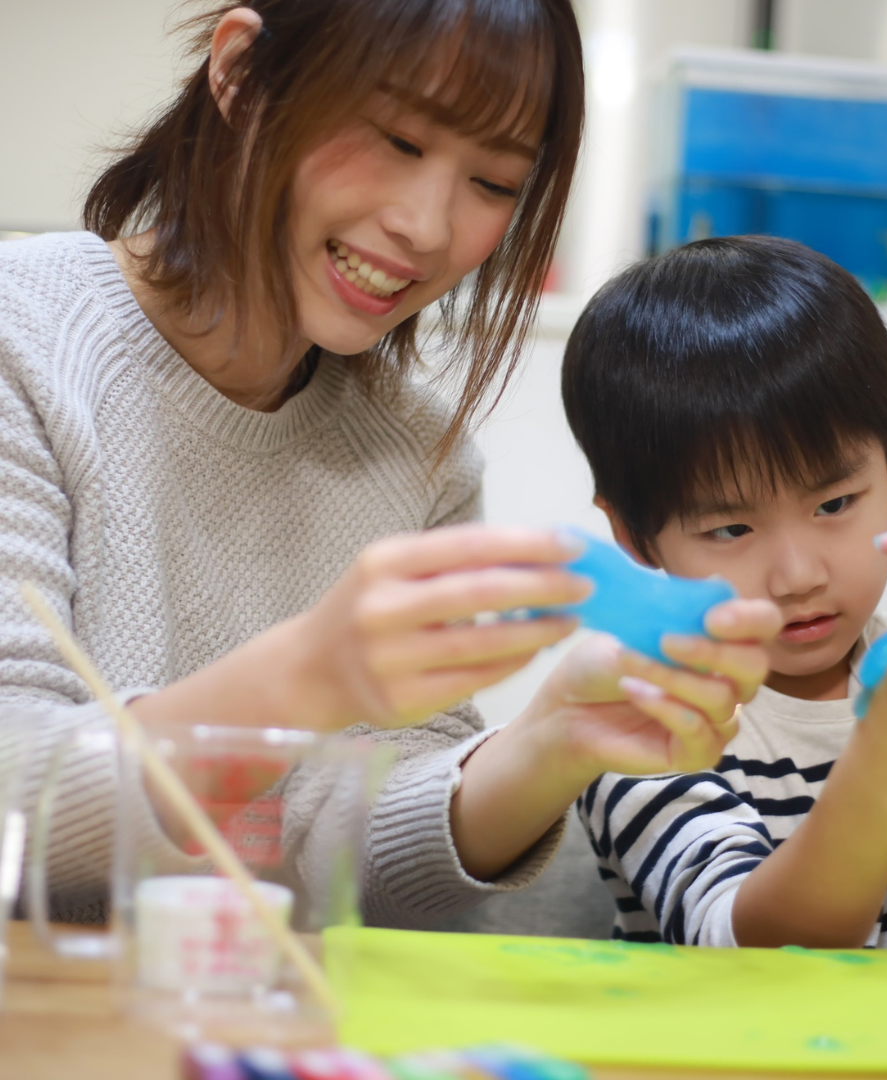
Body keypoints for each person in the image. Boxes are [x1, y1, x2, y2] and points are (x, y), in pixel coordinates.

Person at [0, 1, 775, 926]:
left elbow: (364, 878)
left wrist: (549, 741)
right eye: (398, 139)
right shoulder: (26, 342)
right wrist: (306, 678)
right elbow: (16, 799)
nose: (425, 226)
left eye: (492, 182)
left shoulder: (421, 460)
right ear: (243, 75)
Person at [563, 235, 887, 948]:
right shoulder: (644, 725)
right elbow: (752, 948)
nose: (799, 575)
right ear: (633, 537)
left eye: (835, 505)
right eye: (731, 528)